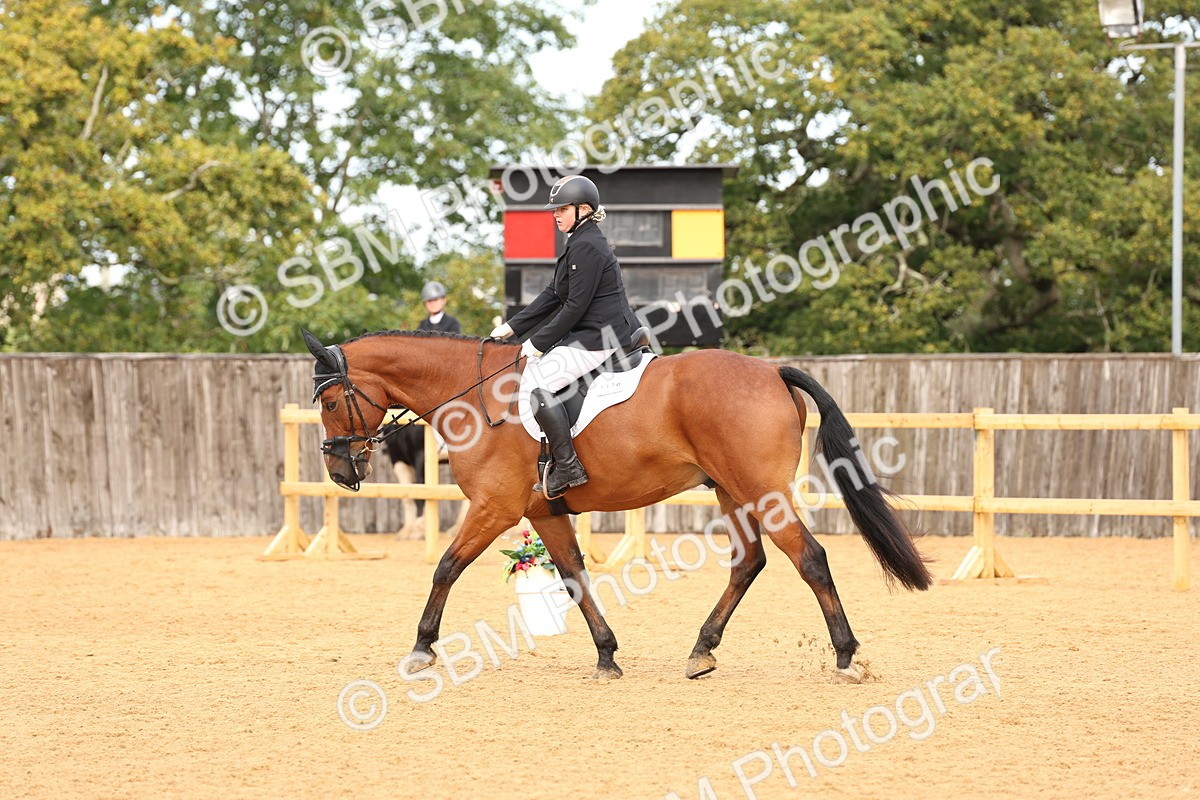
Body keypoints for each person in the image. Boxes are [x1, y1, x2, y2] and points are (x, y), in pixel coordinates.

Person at [489, 174, 640, 498]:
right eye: (554, 209)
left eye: (561, 209)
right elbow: (555, 293)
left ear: (583, 209)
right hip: (594, 332)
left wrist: (535, 345)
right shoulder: (579, 240)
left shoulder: (587, 245)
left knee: (537, 382)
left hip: (601, 336)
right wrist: (513, 327)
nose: (555, 214)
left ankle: (568, 466)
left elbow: (573, 307)